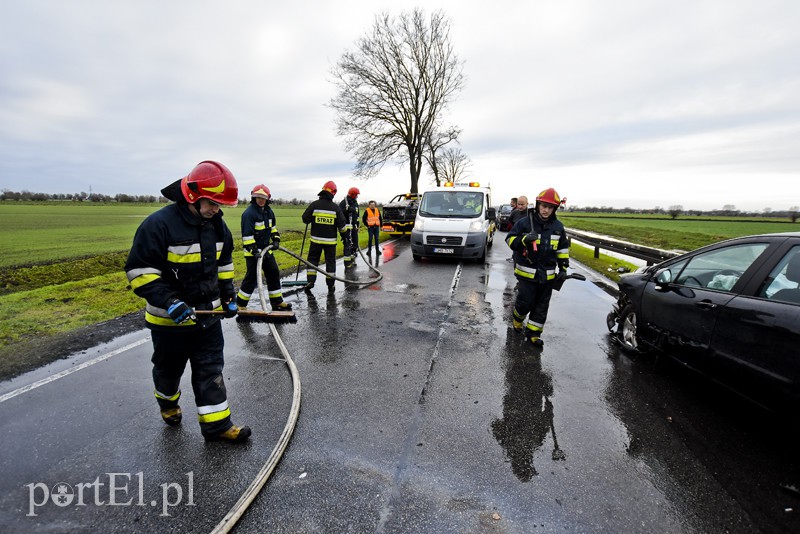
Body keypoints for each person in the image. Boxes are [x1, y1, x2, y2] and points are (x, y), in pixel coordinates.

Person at [124, 161, 250, 443]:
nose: (217, 209)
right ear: (193, 195)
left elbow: (224, 264)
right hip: (169, 321)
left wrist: (228, 294)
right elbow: (140, 272)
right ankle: (167, 403)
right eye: (213, 203)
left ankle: (217, 426)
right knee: (169, 371)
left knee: (210, 369)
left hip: (208, 318)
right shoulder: (158, 225)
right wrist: (170, 302)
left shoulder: (217, 226)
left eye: (221, 205)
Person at [505, 187, 570, 347]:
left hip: (547, 276)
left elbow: (562, 249)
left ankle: (534, 333)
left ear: (554, 209)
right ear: (538, 205)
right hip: (526, 274)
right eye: (543, 206)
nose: (546, 210)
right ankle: (518, 320)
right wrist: (524, 240)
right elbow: (509, 240)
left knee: (541, 306)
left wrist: (563, 269)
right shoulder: (525, 223)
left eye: (550, 207)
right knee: (525, 302)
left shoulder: (558, 227)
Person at [236, 184, 292, 311]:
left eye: (263, 198)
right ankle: (240, 304)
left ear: (268, 199)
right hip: (253, 253)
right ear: (254, 198)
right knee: (252, 277)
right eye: (258, 198)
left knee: (273, 272)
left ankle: (277, 302)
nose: (261, 200)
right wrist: (255, 251)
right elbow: (247, 237)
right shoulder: (249, 214)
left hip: (267, 251)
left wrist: (276, 240)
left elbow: (273, 229)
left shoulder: (269, 212)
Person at [302, 181, 348, 293]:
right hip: (330, 243)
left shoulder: (314, 205)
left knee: (312, 260)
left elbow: (305, 219)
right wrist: (344, 236)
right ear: (333, 193)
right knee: (330, 262)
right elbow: (342, 225)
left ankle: (311, 281)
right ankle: (330, 285)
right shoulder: (335, 208)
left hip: (315, 241)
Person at [340, 187, 360, 268]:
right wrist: (347, 210)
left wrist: (357, 225)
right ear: (352, 194)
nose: (357, 196)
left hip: (354, 228)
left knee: (355, 243)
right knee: (347, 244)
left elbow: (357, 216)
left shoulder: (355, 203)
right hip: (347, 228)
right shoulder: (344, 202)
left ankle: (352, 259)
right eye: (356, 195)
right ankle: (347, 263)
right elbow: (340, 214)